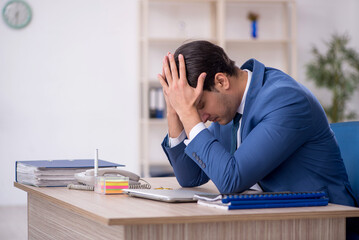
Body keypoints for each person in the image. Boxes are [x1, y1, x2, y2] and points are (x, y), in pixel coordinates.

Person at [157, 40, 358, 208]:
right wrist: (174, 111)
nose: (200, 118)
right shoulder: (228, 107)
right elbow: (191, 178)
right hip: (271, 217)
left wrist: (187, 113)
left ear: (221, 81)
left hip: (325, 222)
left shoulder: (285, 100)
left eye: (199, 105)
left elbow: (231, 180)